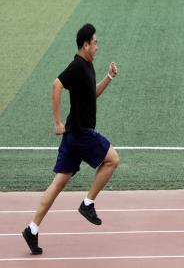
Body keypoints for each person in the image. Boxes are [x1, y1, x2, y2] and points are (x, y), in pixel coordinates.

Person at [22, 23, 120, 255]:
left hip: (72, 138)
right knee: (113, 159)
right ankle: (87, 204)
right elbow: (56, 85)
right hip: (81, 134)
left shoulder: (88, 66)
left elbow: (91, 94)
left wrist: (108, 77)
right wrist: (57, 122)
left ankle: (32, 229)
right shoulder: (76, 66)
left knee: (58, 183)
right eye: (95, 42)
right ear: (85, 44)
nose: (98, 46)